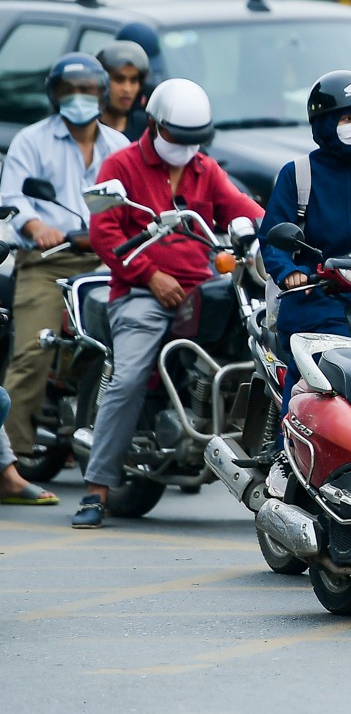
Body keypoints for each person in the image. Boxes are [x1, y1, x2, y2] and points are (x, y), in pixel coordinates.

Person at [78, 81, 264, 528]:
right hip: (140, 294)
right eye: (177, 137)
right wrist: (150, 275)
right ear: (156, 125)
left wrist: (273, 231)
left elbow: (244, 210)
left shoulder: (205, 168)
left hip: (200, 289)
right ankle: (96, 490)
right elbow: (105, 235)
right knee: (127, 380)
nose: (185, 147)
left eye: (193, 138)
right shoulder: (121, 165)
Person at [1, 55, 132, 502]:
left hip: (106, 259)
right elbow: (13, 197)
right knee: (33, 353)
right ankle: (9, 464)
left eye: (88, 90)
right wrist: (37, 228)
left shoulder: (118, 144)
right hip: (48, 261)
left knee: (132, 345)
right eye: (69, 91)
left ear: (101, 93)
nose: (80, 99)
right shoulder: (30, 141)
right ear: (54, 95)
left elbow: (134, 201)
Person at [259, 72, 351, 409]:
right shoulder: (299, 174)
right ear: (324, 123)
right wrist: (288, 271)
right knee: (316, 378)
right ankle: (290, 443)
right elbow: (273, 236)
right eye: (347, 118)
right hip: (315, 297)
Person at [96, 38, 150, 141]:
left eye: (133, 80)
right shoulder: (88, 129)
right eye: (119, 79)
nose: (127, 89)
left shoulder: (147, 128)